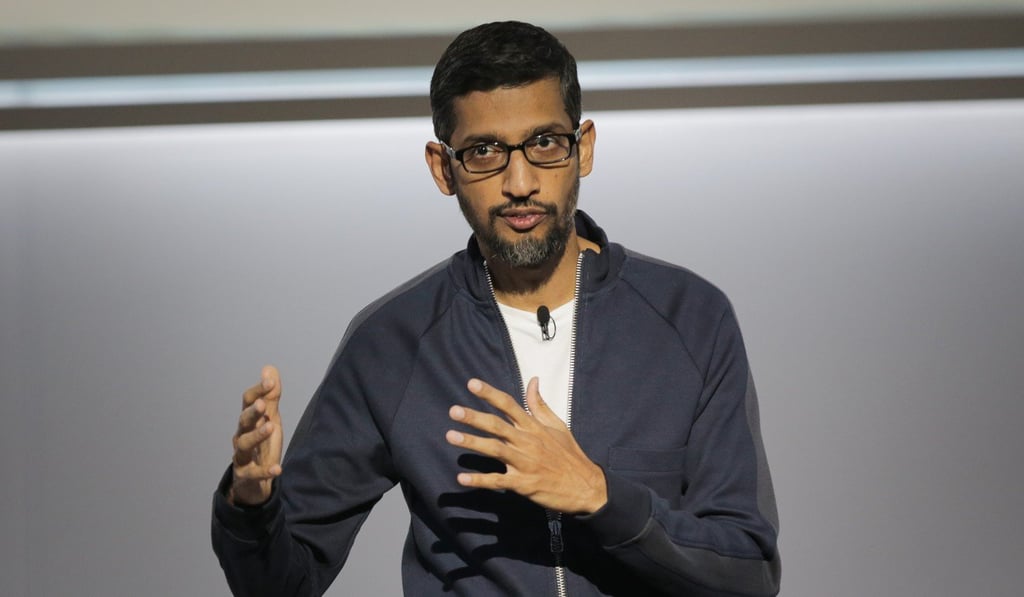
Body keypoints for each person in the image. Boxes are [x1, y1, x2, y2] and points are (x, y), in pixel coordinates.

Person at [211, 20, 781, 597]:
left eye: (544, 143)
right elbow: (282, 584)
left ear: (582, 149)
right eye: (485, 151)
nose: (520, 181)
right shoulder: (394, 342)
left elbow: (747, 574)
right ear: (443, 168)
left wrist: (599, 495)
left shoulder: (689, 318)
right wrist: (251, 506)